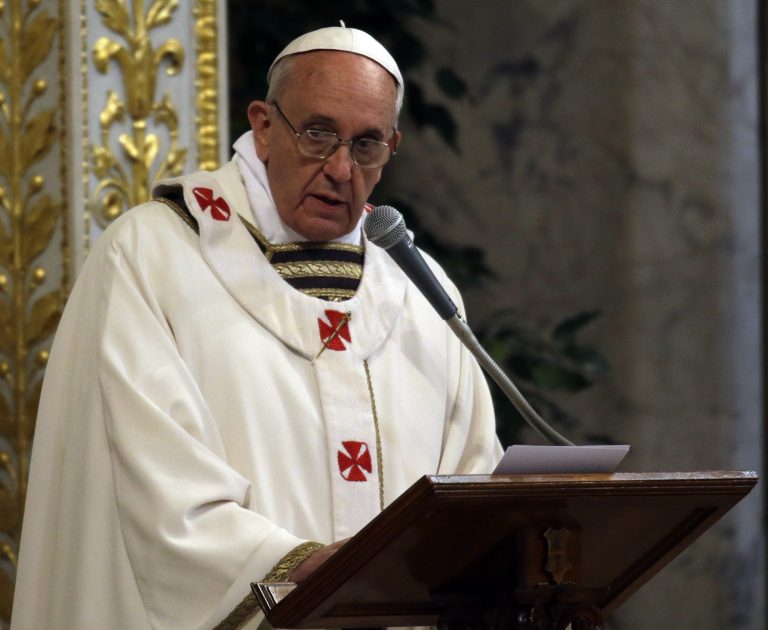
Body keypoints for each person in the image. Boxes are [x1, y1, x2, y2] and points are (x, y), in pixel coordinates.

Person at [12, 26, 501, 629]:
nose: (341, 169)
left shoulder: (423, 290)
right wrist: (298, 563)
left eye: (367, 145)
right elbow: (146, 479)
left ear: (391, 148)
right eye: (319, 134)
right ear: (265, 126)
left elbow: (471, 488)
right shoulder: (153, 256)